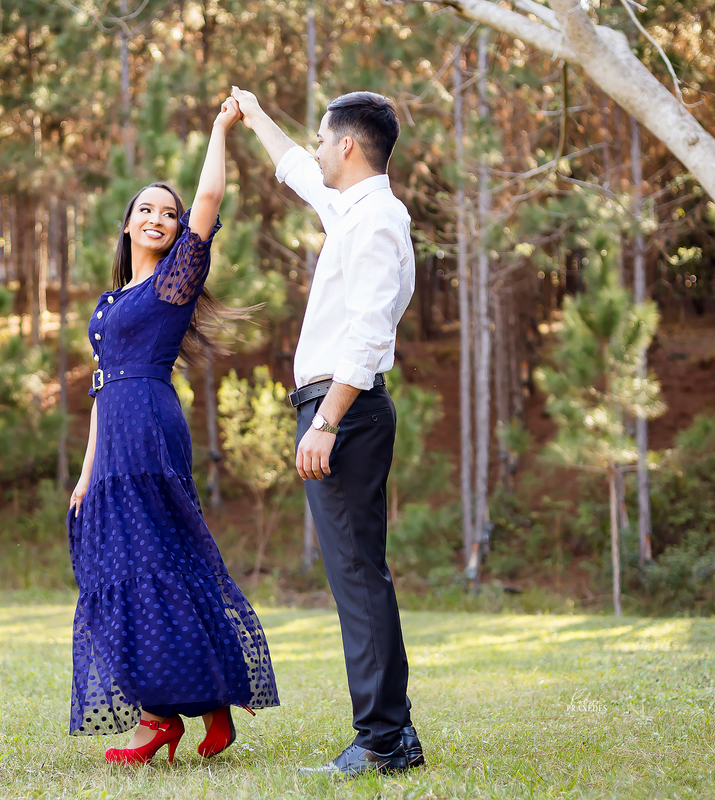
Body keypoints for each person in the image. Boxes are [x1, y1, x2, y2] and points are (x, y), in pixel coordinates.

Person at [67, 96, 278, 766]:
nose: (158, 218)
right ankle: (192, 706)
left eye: (169, 212)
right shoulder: (110, 303)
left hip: (150, 429)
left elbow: (209, 197)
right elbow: (99, 388)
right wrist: (85, 475)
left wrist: (220, 128)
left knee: (159, 563)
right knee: (127, 567)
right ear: (128, 223)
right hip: (112, 436)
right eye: (147, 210)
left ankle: (166, 717)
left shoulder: (172, 287)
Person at [231, 86, 422, 777]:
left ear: (347, 144)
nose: (314, 149)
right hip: (339, 409)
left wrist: (326, 422)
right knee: (358, 574)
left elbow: (370, 334)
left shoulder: (377, 221)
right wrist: (254, 115)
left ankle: (383, 738)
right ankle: (394, 734)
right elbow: (296, 169)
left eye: (320, 138)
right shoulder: (355, 209)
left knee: (358, 578)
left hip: (345, 410)